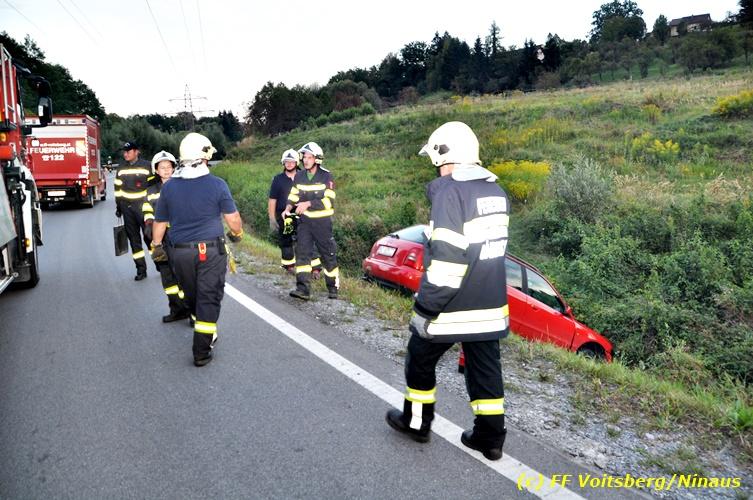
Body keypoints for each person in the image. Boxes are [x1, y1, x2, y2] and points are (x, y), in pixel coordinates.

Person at [385, 121, 510, 461]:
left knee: (419, 357)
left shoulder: (450, 193)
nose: (435, 167)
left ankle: (416, 423)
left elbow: (448, 260)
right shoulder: (497, 192)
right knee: (485, 369)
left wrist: (426, 308)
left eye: (435, 159)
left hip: (452, 305)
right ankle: (490, 437)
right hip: (490, 305)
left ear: (445, 155)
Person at [150, 133, 244, 367]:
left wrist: (156, 246)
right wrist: (237, 234)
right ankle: (201, 351)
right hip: (211, 251)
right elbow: (233, 219)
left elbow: (159, 222)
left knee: (192, 296)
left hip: (180, 253)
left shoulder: (169, 188)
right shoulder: (217, 184)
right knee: (208, 298)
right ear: (204, 157)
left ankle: (201, 324)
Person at [282, 142, 338, 300]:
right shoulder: (299, 176)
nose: (305, 160)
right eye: (304, 157)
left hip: (322, 223)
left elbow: (329, 201)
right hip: (305, 223)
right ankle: (303, 289)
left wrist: (308, 203)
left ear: (317, 159)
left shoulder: (326, 176)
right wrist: (287, 208)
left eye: (309, 157)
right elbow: (293, 195)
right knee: (302, 254)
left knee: (328, 255)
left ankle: (333, 287)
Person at [142, 150, 190, 323]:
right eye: (162, 167)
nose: (166, 170)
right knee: (167, 275)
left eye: (169, 166)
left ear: (174, 168)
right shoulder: (150, 190)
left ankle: (192, 310)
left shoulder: (183, 186)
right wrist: (149, 225)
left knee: (185, 275)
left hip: (180, 237)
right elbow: (147, 210)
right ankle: (177, 310)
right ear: (156, 170)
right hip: (160, 238)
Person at [268, 148, 322, 275]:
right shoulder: (277, 179)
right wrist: (272, 218)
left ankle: (315, 268)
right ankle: (289, 266)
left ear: (297, 162)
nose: (289, 164)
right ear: (283, 163)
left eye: (292, 162)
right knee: (286, 240)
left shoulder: (304, 176)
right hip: (284, 215)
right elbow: (272, 200)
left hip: (302, 213)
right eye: (286, 161)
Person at [114, 141, 155, 280]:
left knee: (149, 237)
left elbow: (153, 187)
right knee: (134, 240)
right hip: (127, 208)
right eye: (124, 152)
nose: (125, 154)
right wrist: (119, 207)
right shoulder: (121, 168)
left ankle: (159, 263)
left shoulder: (147, 166)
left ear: (137, 151)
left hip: (144, 208)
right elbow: (117, 189)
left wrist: (154, 206)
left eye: (128, 151)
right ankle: (141, 270)